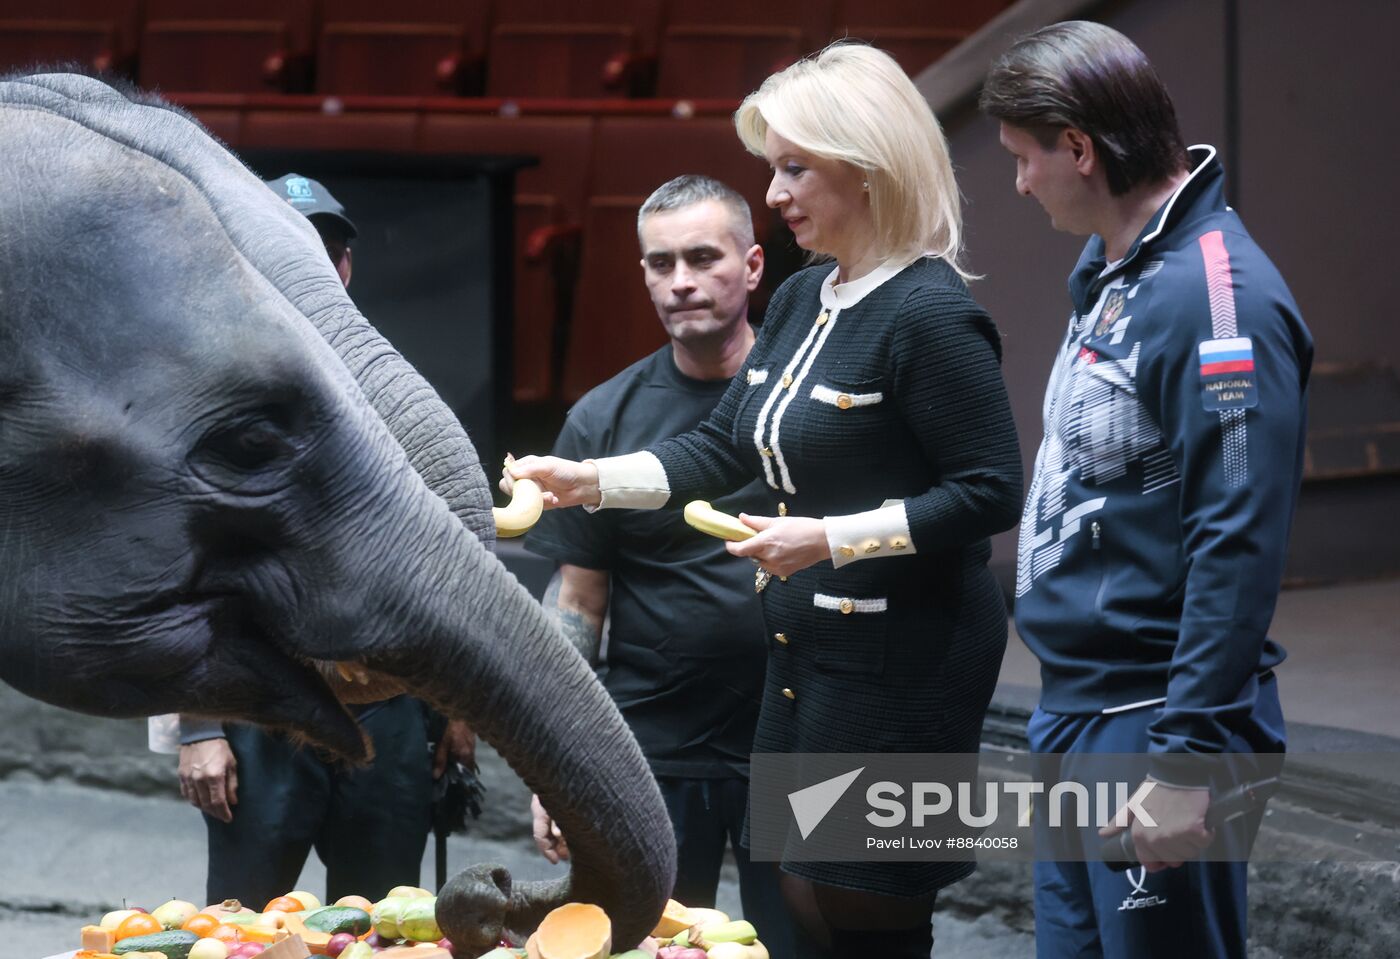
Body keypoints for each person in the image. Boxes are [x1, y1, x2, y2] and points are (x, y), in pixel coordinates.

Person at [505, 44, 1022, 957]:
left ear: (864, 168)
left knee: (866, 906)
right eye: (771, 168)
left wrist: (832, 538)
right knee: (805, 899)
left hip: (908, 662)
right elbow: (721, 443)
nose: (777, 192)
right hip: (807, 654)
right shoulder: (797, 299)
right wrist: (591, 482)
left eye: (794, 167)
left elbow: (989, 492)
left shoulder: (931, 311)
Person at [980, 22, 1312, 959]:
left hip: (1156, 720)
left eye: (1022, 158)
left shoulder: (1219, 301)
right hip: (1080, 709)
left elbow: (1238, 541)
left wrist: (1187, 760)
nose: (1019, 182)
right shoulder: (1119, 268)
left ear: (1079, 149)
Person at [161, 174, 477, 907]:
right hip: (260, 701)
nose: (316, 264)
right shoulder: (204, 387)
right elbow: (184, 556)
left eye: (329, 250)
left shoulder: (395, 389)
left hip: (389, 705)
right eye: (293, 247)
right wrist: (198, 726)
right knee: (240, 926)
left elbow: (448, 553)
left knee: (383, 926)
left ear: (345, 268)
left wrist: (459, 709)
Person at [523, 174, 809, 957]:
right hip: (654, 748)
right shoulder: (606, 417)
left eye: (701, 257)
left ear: (752, 266)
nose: (679, 280)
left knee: (803, 947)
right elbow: (577, 602)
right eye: (659, 263)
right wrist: (560, 762)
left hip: (799, 739)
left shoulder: (810, 402)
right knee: (645, 947)